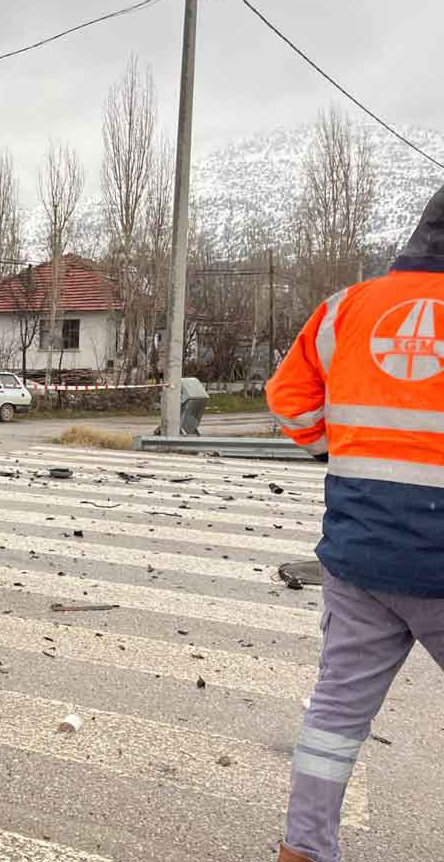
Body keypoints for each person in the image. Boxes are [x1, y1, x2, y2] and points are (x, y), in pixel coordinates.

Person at [268, 183, 444, 862]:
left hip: (358, 556)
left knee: (336, 717)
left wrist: (333, 445)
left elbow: (287, 398)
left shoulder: (347, 308)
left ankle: (304, 850)